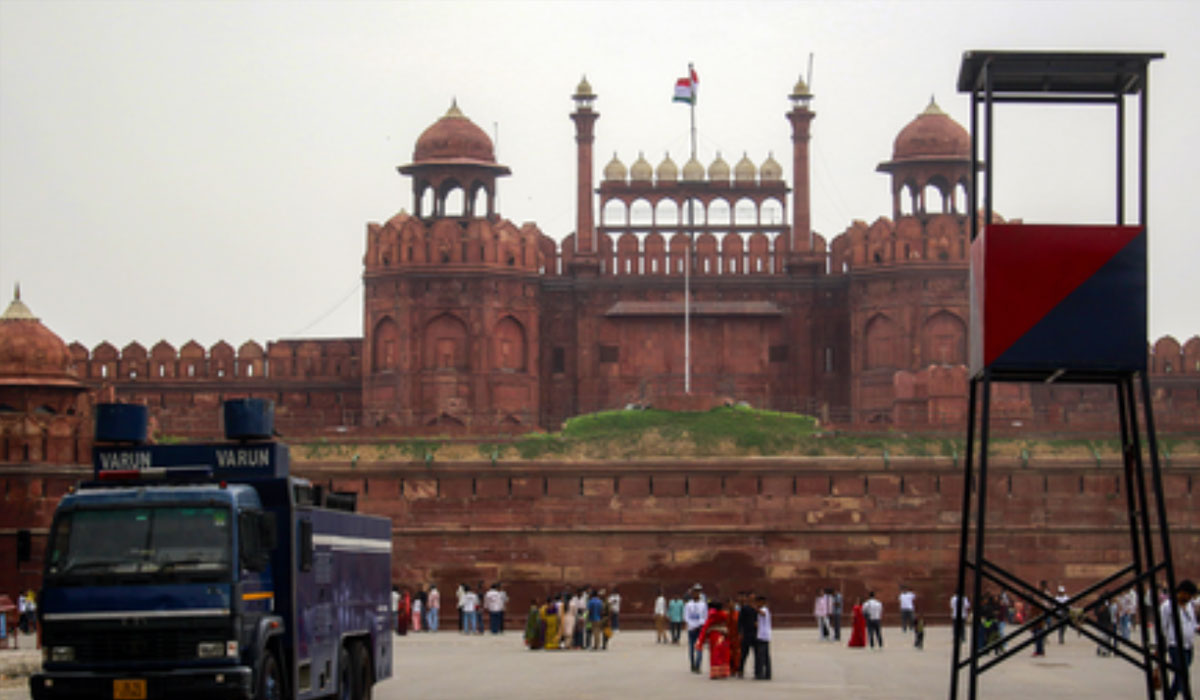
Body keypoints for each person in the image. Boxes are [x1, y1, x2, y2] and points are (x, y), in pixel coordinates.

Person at [1160, 579, 1196, 700]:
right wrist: (1159, 646)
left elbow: (1192, 623)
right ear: (1182, 592)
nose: (1190, 598)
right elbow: (1162, 627)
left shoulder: (1189, 605)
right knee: (1183, 674)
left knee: (1179, 674)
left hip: (1188, 645)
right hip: (1175, 645)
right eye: (1188, 595)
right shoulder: (1167, 607)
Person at [695, 601, 732, 679]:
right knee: (723, 654)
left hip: (714, 636)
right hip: (724, 635)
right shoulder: (725, 615)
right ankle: (723, 672)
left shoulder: (712, 615)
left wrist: (700, 641)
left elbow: (705, 627)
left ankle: (715, 673)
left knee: (715, 654)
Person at [685, 587, 708, 673]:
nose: (696, 594)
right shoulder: (688, 605)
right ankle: (692, 664)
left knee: (699, 648)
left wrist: (701, 625)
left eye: (698, 592)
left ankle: (698, 665)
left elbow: (705, 616)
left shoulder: (703, 605)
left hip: (700, 629)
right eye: (695, 592)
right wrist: (692, 625)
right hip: (691, 629)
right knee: (691, 649)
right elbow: (686, 617)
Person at [738, 592, 758, 677]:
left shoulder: (757, 608)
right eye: (751, 597)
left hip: (755, 633)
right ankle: (741, 670)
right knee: (744, 653)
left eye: (754, 598)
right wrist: (740, 632)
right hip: (746, 633)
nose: (752, 599)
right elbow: (740, 621)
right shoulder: (744, 608)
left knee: (756, 653)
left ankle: (757, 671)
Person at [754, 594, 772, 680]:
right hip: (764, 635)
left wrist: (754, 609)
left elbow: (763, 613)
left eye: (758, 602)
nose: (757, 604)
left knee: (761, 656)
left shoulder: (764, 609)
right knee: (766, 656)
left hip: (763, 636)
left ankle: (761, 673)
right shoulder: (764, 610)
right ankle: (767, 674)